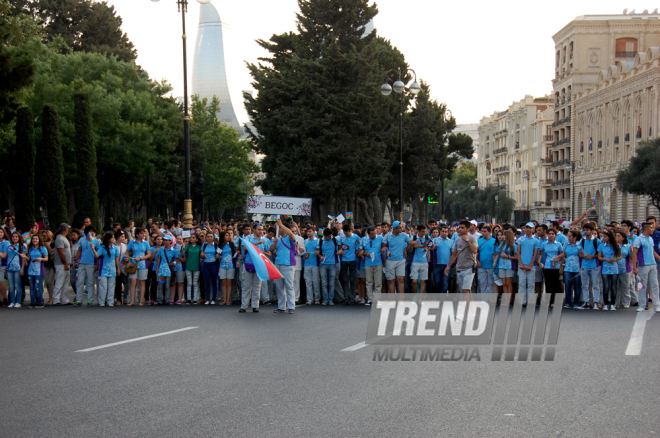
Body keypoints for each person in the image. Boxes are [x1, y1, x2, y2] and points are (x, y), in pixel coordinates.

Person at [239, 223, 269, 312]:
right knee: (246, 286)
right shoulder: (248, 238)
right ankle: (244, 306)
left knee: (257, 286)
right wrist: (257, 243)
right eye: (259, 229)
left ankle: (255, 306)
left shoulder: (265, 240)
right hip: (248, 264)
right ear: (254, 230)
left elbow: (269, 253)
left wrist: (266, 254)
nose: (261, 231)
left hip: (259, 265)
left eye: (262, 230)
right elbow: (245, 248)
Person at [631, 222, 660, 312]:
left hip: (653, 265)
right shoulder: (639, 239)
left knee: (655, 285)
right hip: (643, 265)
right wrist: (635, 268)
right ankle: (641, 305)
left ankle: (656, 305)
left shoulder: (650, 239)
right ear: (646, 229)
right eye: (651, 228)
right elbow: (634, 254)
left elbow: (653, 251)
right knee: (642, 286)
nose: (653, 229)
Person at [271, 219, 298, 313]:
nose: (278, 229)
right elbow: (271, 250)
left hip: (288, 264)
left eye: (279, 228)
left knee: (289, 286)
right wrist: (274, 242)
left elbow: (290, 234)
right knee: (279, 287)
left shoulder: (291, 238)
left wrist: (281, 224)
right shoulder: (277, 239)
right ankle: (281, 307)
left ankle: (291, 307)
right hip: (278, 264)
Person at [444, 221, 478, 293]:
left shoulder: (472, 239)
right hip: (459, 267)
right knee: (466, 290)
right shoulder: (457, 240)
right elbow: (454, 254)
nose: (460, 229)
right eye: (459, 228)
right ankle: (471, 304)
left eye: (462, 228)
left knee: (465, 290)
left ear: (468, 229)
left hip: (469, 267)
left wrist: (467, 240)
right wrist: (448, 266)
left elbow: (475, 250)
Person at [92, 232, 120, 307]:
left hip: (112, 270)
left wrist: (118, 268)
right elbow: (97, 255)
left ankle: (110, 301)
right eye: (112, 238)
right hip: (103, 270)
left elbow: (117, 258)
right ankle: (101, 301)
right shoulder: (102, 247)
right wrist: (93, 249)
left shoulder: (115, 248)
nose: (113, 239)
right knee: (103, 287)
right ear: (108, 239)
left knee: (111, 287)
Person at [316, 228, 343, 305]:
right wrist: (320, 256)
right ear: (325, 235)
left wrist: (339, 251)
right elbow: (318, 251)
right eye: (328, 236)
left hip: (333, 263)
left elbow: (340, 246)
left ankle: (331, 299)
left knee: (332, 282)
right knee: (324, 282)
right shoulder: (320, 241)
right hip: (323, 264)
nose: (330, 237)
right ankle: (325, 299)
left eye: (331, 235)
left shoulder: (335, 240)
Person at [383, 221, 412, 294]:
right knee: (391, 280)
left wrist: (406, 249)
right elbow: (384, 246)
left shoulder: (404, 235)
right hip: (390, 260)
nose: (401, 229)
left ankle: (401, 300)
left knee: (401, 279)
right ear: (395, 229)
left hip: (401, 260)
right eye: (399, 228)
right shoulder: (387, 236)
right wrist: (386, 253)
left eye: (401, 227)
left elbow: (410, 243)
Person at [126, 228, 152, 306]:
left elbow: (149, 254)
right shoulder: (132, 242)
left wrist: (141, 258)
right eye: (141, 233)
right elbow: (127, 252)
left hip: (143, 263)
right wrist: (128, 261)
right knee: (133, 281)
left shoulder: (146, 243)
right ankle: (132, 300)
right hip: (133, 263)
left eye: (144, 233)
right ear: (137, 235)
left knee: (142, 282)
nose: (143, 235)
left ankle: (141, 300)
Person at [538, 229, 564, 304]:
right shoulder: (544, 244)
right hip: (547, 266)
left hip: (556, 266)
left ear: (555, 235)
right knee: (548, 283)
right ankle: (549, 300)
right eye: (549, 234)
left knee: (555, 283)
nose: (551, 235)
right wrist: (539, 262)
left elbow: (562, 254)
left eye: (552, 234)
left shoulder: (558, 244)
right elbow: (540, 253)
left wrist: (558, 258)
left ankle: (555, 300)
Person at [516, 223, 540, 306]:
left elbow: (535, 254)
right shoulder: (520, 239)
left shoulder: (536, 240)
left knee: (531, 284)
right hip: (522, 265)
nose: (528, 229)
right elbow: (518, 252)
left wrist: (531, 264)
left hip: (531, 265)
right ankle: (522, 301)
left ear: (533, 229)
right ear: (524, 229)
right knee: (522, 283)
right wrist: (520, 263)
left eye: (530, 228)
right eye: (527, 228)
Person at [578, 223, 600, 310]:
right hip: (584, 265)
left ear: (591, 231)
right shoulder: (582, 241)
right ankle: (586, 301)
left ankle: (596, 302)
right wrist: (583, 256)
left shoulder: (596, 241)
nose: (586, 232)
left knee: (595, 284)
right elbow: (580, 253)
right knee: (585, 285)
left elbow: (599, 253)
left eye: (587, 230)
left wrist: (592, 256)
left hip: (594, 265)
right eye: (585, 230)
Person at [76, 225, 100, 306]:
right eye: (91, 231)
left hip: (91, 263)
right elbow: (79, 250)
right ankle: (79, 299)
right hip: (82, 263)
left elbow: (97, 253)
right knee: (80, 282)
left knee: (90, 282)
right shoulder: (82, 240)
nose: (92, 233)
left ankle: (90, 300)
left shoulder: (96, 241)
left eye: (93, 231)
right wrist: (76, 260)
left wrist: (97, 264)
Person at [597, 230, 621, 311]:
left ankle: (613, 303)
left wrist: (616, 259)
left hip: (614, 268)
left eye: (605, 236)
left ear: (609, 237)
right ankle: (606, 303)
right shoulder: (601, 246)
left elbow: (620, 256)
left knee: (614, 286)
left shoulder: (616, 245)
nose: (603, 238)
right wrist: (605, 259)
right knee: (606, 286)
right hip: (605, 268)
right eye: (603, 236)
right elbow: (599, 257)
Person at [339, 223, 361, 304]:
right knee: (345, 280)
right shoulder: (342, 237)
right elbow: (339, 246)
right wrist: (340, 251)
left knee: (352, 279)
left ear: (350, 231)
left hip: (352, 259)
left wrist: (358, 250)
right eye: (344, 233)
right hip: (344, 260)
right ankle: (346, 297)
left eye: (347, 233)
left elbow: (360, 242)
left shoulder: (355, 236)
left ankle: (351, 297)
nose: (346, 234)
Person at [25, 234, 48, 308]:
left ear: (39, 240)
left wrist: (40, 259)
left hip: (39, 270)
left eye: (36, 239)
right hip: (31, 270)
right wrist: (25, 257)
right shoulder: (30, 249)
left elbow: (46, 259)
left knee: (37, 286)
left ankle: (40, 302)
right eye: (33, 239)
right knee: (32, 287)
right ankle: (32, 302)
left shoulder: (43, 248)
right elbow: (29, 259)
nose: (34, 240)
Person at [155, 235, 178, 305]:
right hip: (161, 269)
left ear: (170, 241)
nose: (164, 242)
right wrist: (157, 267)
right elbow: (159, 258)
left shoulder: (173, 250)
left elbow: (177, 257)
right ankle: (160, 299)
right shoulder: (161, 249)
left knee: (167, 286)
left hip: (168, 270)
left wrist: (173, 263)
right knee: (160, 286)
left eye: (166, 240)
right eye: (164, 240)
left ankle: (167, 299)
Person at [563, 230, 583, 309]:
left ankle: (576, 302)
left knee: (577, 285)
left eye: (570, 236)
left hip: (577, 268)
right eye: (568, 236)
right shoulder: (566, 244)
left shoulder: (579, 245)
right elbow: (564, 253)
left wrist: (581, 268)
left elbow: (582, 257)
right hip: (568, 267)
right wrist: (559, 257)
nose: (568, 238)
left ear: (575, 237)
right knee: (567, 285)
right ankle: (568, 302)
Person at [410, 225, 432, 293]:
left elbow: (431, 245)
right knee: (414, 281)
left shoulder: (427, 237)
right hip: (415, 261)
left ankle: (420, 299)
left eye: (425, 231)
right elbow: (413, 245)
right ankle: (415, 295)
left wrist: (428, 247)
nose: (424, 233)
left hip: (424, 261)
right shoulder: (414, 237)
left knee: (423, 281)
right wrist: (422, 246)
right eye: (422, 231)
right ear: (418, 231)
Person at [6, 232, 25, 307]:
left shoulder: (21, 246)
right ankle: (12, 301)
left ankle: (18, 301)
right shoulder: (9, 246)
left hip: (17, 267)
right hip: (9, 267)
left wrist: (22, 268)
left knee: (18, 286)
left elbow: (23, 258)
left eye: (16, 237)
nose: (15, 238)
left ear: (19, 238)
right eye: (13, 236)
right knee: (11, 286)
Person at [614, 230, 633, 308]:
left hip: (625, 268)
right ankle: (616, 302)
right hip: (615, 268)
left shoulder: (627, 246)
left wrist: (632, 250)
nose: (617, 237)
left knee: (626, 286)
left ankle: (626, 302)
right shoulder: (614, 246)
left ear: (623, 237)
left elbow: (632, 257)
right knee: (616, 286)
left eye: (619, 236)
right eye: (616, 235)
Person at [181, 233, 201, 304]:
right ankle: (189, 298)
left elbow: (201, 255)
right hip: (188, 266)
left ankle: (195, 299)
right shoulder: (188, 246)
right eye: (191, 237)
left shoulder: (199, 246)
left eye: (193, 237)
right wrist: (183, 247)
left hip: (196, 266)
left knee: (195, 283)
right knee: (189, 283)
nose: (191, 239)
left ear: (196, 239)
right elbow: (183, 253)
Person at [432, 226, 453, 293]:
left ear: (448, 233)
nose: (444, 233)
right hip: (437, 264)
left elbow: (453, 253)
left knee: (445, 282)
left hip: (447, 265)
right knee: (437, 282)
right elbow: (430, 250)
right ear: (440, 232)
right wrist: (432, 247)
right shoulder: (435, 240)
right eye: (443, 231)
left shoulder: (451, 241)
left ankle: (442, 298)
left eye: (445, 232)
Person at [200, 232, 219, 305]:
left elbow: (218, 254)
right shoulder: (204, 245)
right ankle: (208, 298)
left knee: (214, 282)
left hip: (213, 264)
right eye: (208, 236)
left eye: (211, 236)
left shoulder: (216, 245)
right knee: (207, 282)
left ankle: (213, 298)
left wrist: (218, 256)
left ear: (213, 238)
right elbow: (201, 254)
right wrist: (202, 255)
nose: (209, 238)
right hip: (206, 264)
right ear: (206, 237)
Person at [303, 227, 321, 305]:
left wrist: (318, 252)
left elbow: (319, 250)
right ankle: (310, 299)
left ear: (314, 232)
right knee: (308, 282)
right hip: (306, 264)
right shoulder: (305, 241)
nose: (308, 233)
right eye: (307, 231)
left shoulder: (318, 241)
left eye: (310, 231)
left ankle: (317, 298)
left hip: (315, 264)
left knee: (316, 282)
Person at [218, 230, 235, 306]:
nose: (228, 236)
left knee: (229, 282)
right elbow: (217, 254)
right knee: (224, 283)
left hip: (230, 265)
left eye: (229, 235)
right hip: (222, 265)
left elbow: (235, 252)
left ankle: (228, 299)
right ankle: (224, 299)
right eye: (226, 235)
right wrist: (218, 256)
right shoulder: (220, 245)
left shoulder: (231, 244)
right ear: (223, 237)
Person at [476, 226, 496, 293]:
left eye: (485, 231)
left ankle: (491, 299)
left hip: (491, 265)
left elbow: (496, 253)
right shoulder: (479, 241)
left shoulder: (494, 241)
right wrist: (477, 261)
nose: (483, 233)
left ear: (489, 232)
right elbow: (476, 252)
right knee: (482, 283)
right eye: (482, 231)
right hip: (481, 265)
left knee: (491, 283)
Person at [496, 230, 516, 295]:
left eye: (504, 235)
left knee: (508, 283)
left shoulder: (513, 245)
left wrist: (507, 256)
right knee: (504, 283)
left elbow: (517, 257)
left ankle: (509, 298)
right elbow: (498, 253)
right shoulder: (502, 243)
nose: (502, 236)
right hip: (501, 265)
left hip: (510, 265)